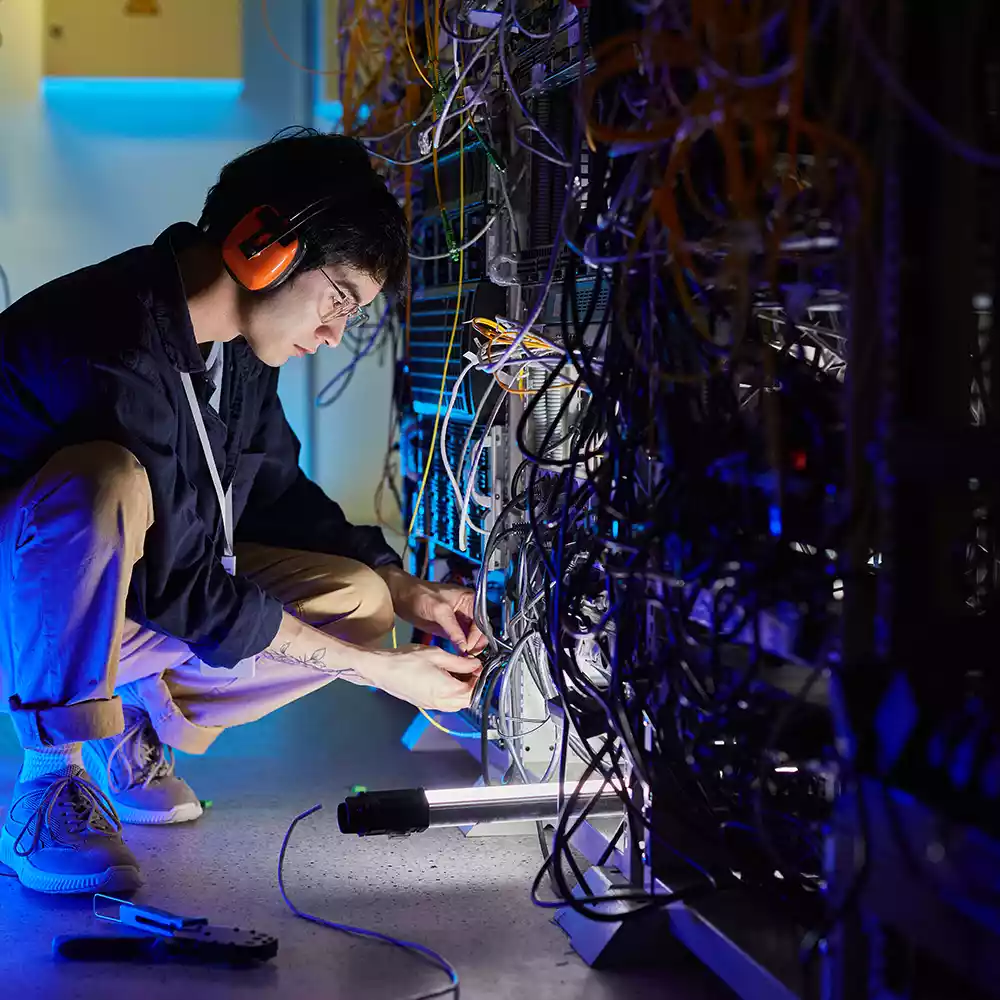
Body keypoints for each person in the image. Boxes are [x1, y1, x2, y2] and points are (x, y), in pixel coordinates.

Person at [0, 129, 485, 895]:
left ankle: (131, 721)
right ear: (267, 247)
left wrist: (405, 587)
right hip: (22, 623)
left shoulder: (233, 351)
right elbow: (181, 589)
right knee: (104, 481)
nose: (332, 335)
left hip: (126, 604)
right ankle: (47, 780)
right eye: (339, 300)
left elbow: (275, 495)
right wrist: (377, 672)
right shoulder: (113, 343)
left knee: (357, 599)